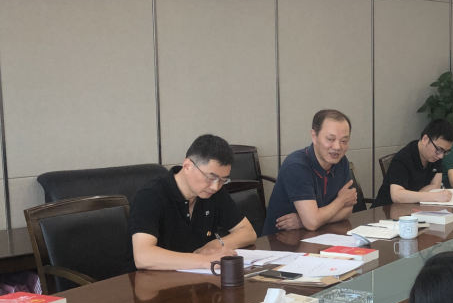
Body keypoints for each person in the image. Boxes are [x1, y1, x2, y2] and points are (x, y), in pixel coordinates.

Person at [126, 135, 257, 272]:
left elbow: (248, 232)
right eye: (210, 177)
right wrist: (206, 261)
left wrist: (216, 245)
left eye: (223, 180)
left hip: (195, 276)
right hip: (149, 279)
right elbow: (143, 257)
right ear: (187, 166)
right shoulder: (150, 196)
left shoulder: (213, 193)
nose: (215, 187)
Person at [262, 109, 357, 235]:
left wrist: (305, 221)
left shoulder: (341, 161)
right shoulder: (296, 166)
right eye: (330, 139)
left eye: (344, 141)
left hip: (321, 235)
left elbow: (347, 211)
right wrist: (341, 201)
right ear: (314, 136)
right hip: (282, 240)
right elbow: (313, 222)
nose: (337, 147)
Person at [370, 120, 453, 208]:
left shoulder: (435, 156)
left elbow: (435, 185)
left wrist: (413, 198)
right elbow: (396, 195)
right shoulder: (403, 158)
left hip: (411, 208)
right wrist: (433, 196)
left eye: (445, 151)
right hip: (386, 210)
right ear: (425, 139)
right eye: (439, 149)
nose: (441, 156)